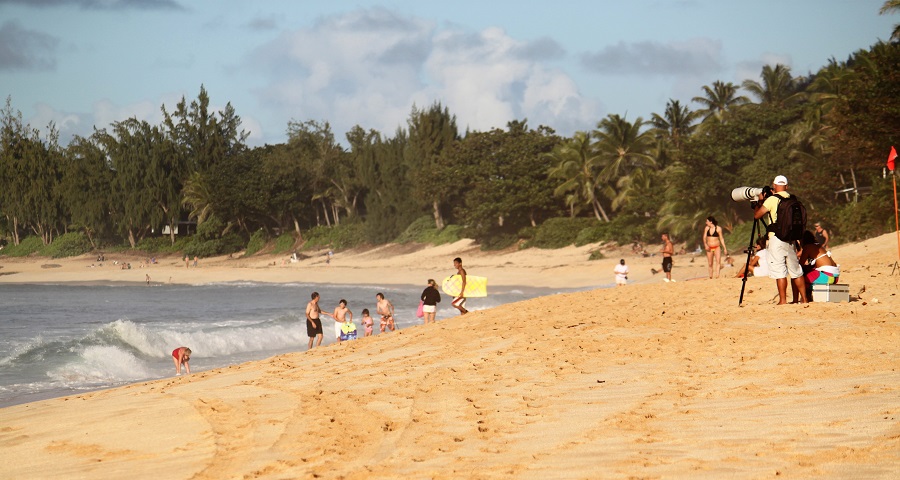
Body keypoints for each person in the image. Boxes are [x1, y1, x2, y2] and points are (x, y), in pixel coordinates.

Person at [753, 175, 808, 304]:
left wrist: (758, 202)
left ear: (774, 185)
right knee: (796, 271)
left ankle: (783, 300)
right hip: (791, 239)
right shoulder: (792, 199)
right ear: (787, 186)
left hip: (776, 239)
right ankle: (804, 299)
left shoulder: (772, 199)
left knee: (779, 272)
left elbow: (757, 215)